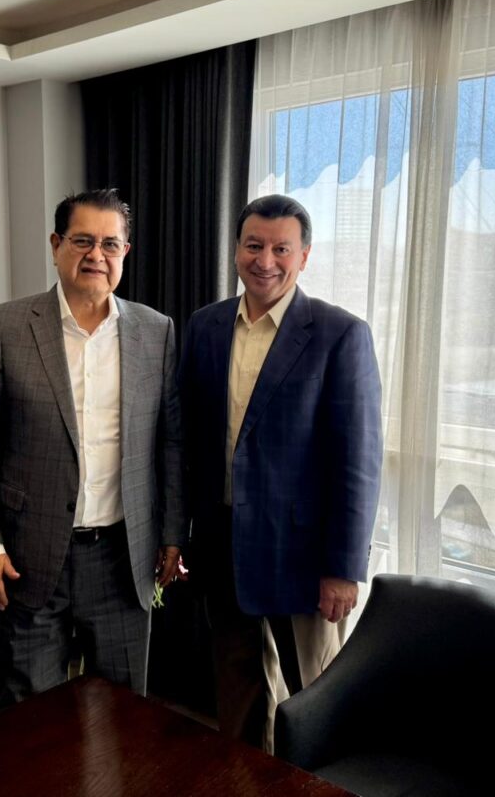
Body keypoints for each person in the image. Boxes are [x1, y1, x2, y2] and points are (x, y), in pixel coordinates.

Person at [0, 188, 185, 705]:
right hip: (29, 557)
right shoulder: (7, 326)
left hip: (122, 559)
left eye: (110, 244)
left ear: (125, 252)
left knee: (123, 714)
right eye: (83, 241)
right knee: (29, 715)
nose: (96, 255)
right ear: (56, 245)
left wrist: (173, 533)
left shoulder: (156, 332)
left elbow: (170, 443)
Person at [180, 194, 383, 751]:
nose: (265, 261)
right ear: (236, 250)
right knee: (239, 697)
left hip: (304, 558)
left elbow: (358, 463)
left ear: (304, 256)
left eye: (281, 249)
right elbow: (189, 440)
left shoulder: (340, 334)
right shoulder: (205, 327)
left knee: (314, 702)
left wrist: (343, 568)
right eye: (254, 246)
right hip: (222, 549)